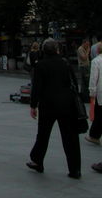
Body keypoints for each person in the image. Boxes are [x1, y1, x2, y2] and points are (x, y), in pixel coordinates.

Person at [26, 38, 81, 179]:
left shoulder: (41, 65)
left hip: (48, 104)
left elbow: (36, 88)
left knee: (43, 134)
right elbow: (74, 83)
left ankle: (37, 161)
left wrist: (33, 105)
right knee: (71, 137)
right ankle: (75, 169)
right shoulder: (65, 63)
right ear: (57, 50)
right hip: (67, 104)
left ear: (43, 51)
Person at [86, 41, 102, 147]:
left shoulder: (96, 61)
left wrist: (92, 92)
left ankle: (94, 135)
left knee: (99, 113)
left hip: (100, 92)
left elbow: (93, 78)